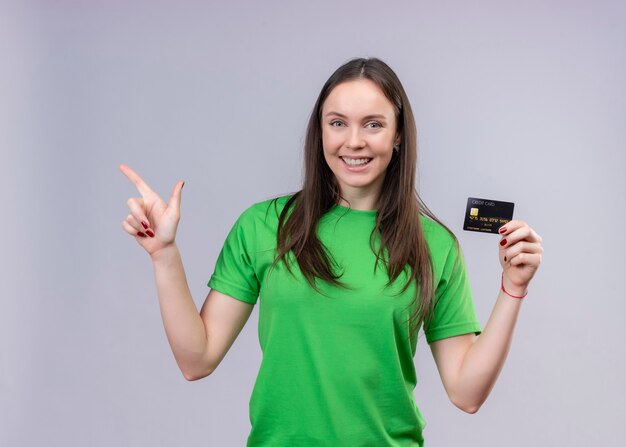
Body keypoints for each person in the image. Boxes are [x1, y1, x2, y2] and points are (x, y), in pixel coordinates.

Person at [120, 57, 543, 446]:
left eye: (373, 124)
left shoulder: (432, 245)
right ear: (320, 131)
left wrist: (512, 288)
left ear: (398, 136)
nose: (353, 142)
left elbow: (466, 393)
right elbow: (197, 359)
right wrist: (164, 254)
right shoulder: (264, 226)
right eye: (338, 123)